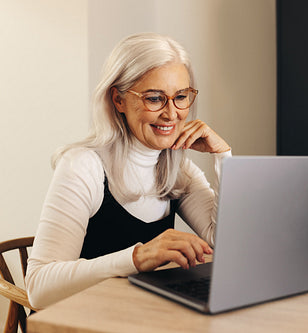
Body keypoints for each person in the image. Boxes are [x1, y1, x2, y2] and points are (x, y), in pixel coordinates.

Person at [25, 32, 231, 309]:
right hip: (89, 321)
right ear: (118, 100)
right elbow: (38, 288)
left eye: (180, 96)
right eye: (155, 98)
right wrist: (138, 258)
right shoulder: (82, 166)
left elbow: (227, 241)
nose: (172, 114)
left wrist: (223, 158)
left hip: (142, 315)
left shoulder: (177, 167)